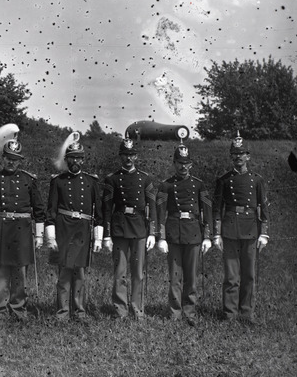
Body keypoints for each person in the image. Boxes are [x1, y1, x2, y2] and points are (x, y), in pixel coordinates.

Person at [0, 125, 45, 320]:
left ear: (20, 161)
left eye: (15, 160)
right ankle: (0, 310)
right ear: (3, 158)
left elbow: (39, 210)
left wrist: (39, 236)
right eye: (8, 158)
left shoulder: (29, 180)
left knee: (20, 273)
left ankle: (18, 309)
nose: (11, 162)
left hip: (22, 231)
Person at [45, 131, 104, 321]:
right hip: (63, 230)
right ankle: (62, 313)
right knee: (64, 272)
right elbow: (51, 211)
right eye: (71, 158)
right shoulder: (58, 181)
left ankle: (80, 312)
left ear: (83, 160)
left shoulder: (91, 182)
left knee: (79, 273)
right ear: (67, 160)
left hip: (83, 231)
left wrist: (99, 238)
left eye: (78, 158)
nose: (75, 161)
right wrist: (51, 237)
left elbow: (99, 213)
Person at [212, 132, 270, 323]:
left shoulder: (257, 180)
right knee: (231, 275)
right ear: (231, 157)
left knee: (249, 275)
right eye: (234, 154)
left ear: (248, 156)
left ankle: (246, 312)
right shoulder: (224, 180)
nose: (238, 157)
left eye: (242, 153)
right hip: (229, 230)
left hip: (251, 230)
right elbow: (217, 208)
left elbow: (263, 207)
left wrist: (264, 233)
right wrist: (217, 233)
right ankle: (229, 313)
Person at [155, 141, 213, 324]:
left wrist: (207, 237)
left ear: (191, 164)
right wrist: (161, 237)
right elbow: (160, 212)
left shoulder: (199, 185)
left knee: (191, 278)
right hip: (173, 233)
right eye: (179, 162)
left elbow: (207, 210)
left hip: (193, 233)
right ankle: (174, 313)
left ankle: (190, 313)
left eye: (186, 163)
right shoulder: (166, 185)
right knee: (174, 278)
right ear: (174, 163)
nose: (183, 167)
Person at [101, 135, 157, 319]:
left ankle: (138, 310)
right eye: (125, 154)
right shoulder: (112, 179)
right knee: (120, 273)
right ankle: (121, 311)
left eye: (131, 154)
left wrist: (152, 233)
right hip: (119, 228)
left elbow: (153, 206)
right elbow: (107, 208)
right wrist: (107, 235)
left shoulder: (145, 179)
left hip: (140, 228)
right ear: (120, 156)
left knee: (138, 273)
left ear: (136, 156)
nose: (128, 158)